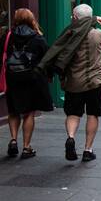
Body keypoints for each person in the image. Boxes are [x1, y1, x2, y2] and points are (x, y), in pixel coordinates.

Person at [40, 4, 101, 162]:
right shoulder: (98, 34)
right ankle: (88, 150)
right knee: (93, 114)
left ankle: (71, 137)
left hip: (74, 82)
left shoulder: (69, 35)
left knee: (73, 114)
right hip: (94, 82)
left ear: (75, 18)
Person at [3, 9, 53, 159]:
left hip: (12, 78)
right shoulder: (37, 38)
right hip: (31, 79)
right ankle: (26, 147)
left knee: (13, 111)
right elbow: (47, 59)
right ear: (32, 19)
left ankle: (13, 140)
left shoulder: (8, 36)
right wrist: (50, 75)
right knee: (29, 112)